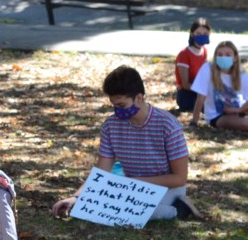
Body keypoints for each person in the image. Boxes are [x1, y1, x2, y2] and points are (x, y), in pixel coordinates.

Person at [52, 66, 202, 221]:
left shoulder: (168, 125)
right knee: (92, 207)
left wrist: (136, 182)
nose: (117, 111)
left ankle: (176, 209)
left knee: (129, 210)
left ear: (139, 98)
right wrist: (77, 197)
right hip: (130, 188)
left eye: (122, 105)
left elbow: (179, 178)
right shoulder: (111, 126)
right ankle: (168, 210)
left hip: (167, 189)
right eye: (114, 105)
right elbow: (101, 173)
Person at [190, 41, 248, 132]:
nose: (223, 58)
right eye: (220, 55)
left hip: (240, 108)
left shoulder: (241, 73)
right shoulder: (207, 69)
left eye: (228, 55)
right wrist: (194, 122)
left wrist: (238, 110)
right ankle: (247, 122)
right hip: (218, 115)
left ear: (235, 57)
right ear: (215, 57)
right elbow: (200, 98)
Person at [174, 17, 211, 112]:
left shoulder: (204, 51)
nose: (202, 36)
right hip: (186, 95)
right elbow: (185, 84)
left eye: (205, 33)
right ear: (192, 34)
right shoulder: (184, 54)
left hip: (200, 92)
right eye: (198, 33)